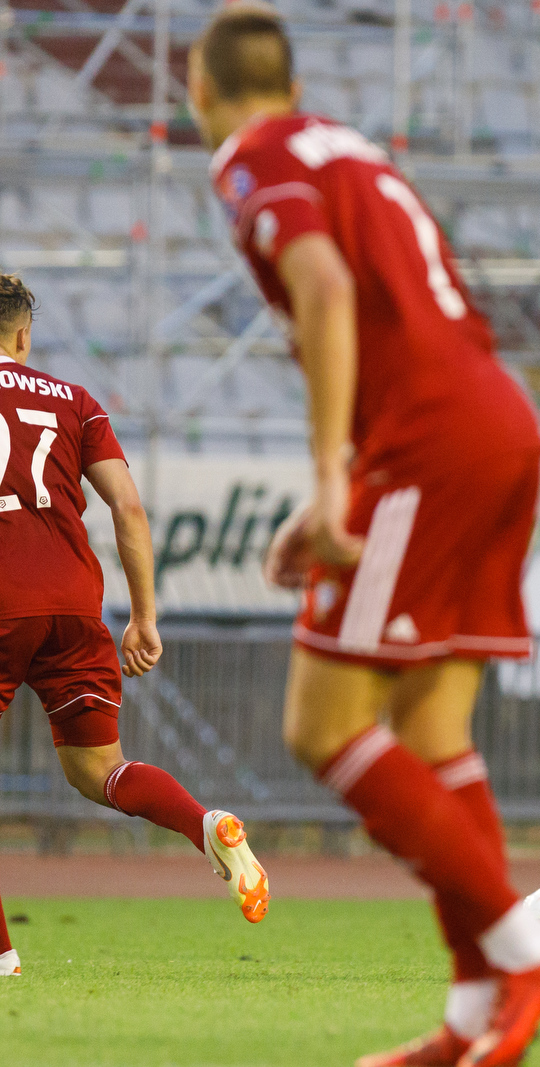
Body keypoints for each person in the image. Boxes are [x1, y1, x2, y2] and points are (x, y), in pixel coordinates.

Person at [188, 8, 540, 1065]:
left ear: (200, 85)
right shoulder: (350, 147)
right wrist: (337, 488)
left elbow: (322, 285)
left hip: (426, 446)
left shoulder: (250, 157)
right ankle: (471, 1017)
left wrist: (332, 477)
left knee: (320, 726)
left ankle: (521, 946)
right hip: (496, 424)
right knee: (431, 730)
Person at [0, 272, 270, 980]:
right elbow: (127, 507)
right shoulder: (76, 400)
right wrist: (144, 615)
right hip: (72, 605)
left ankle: (1, 957)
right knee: (100, 769)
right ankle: (204, 823)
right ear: (24, 335)